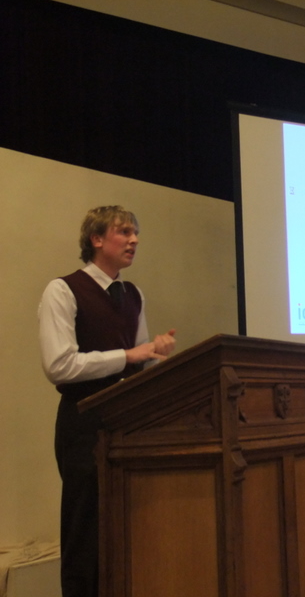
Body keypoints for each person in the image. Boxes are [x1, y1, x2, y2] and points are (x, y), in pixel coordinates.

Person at [38, 206, 177, 597]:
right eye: (124, 232)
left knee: (124, 528)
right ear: (96, 239)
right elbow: (59, 365)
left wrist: (154, 354)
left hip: (126, 424)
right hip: (84, 424)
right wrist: (129, 355)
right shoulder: (62, 290)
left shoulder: (133, 294)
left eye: (135, 233)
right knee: (86, 532)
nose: (134, 240)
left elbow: (138, 361)